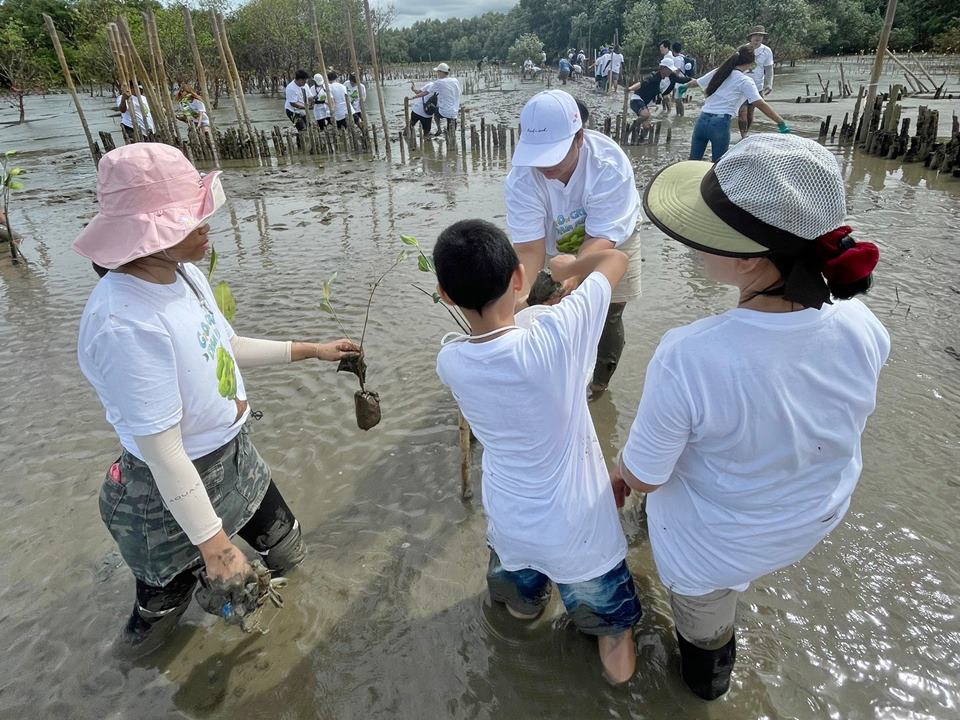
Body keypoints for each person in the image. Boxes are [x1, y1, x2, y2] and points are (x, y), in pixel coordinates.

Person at [616, 133, 889, 699]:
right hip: (815, 514)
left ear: (747, 259)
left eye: (705, 233)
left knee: (705, 623)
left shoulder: (689, 354)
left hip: (717, 546)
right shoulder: (863, 326)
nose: (691, 244)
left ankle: (706, 686)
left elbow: (644, 476)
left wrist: (616, 472)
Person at [73, 143, 360, 650]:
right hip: (165, 491)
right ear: (149, 236)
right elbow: (164, 453)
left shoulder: (184, 275)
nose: (207, 227)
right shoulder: (124, 323)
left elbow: (225, 347)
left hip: (235, 460)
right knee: (160, 618)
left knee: (288, 551)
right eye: (192, 220)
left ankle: (296, 637)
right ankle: (128, 678)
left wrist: (312, 350)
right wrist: (216, 545)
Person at [434, 219, 643, 684]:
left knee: (520, 609)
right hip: (579, 532)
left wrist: (529, 306)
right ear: (518, 277)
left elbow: (500, 340)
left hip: (511, 525)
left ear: (445, 295)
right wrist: (569, 266)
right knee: (614, 637)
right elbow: (616, 260)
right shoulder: (557, 334)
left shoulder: (450, 361)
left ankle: (524, 642)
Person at [505, 90, 644, 397]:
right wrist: (520, 298)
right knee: (546, 304)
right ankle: (560, 381)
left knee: (608, 311)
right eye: (537, 155)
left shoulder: (608, 165)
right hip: (556, 239)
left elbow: (601, 238)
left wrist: (574, 274)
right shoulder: (522, 179)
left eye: (553, 154)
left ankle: (599, 385)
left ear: (579, 137)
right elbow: (529, 248)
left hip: (613, 236)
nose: (544, 166)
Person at [686, 45, 789, 162]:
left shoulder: (719, 71)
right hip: (719, 124)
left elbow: (696, 83)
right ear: (751, 63)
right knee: (718, 166)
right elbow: (760, 103)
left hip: (702, 121)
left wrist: (683, 87)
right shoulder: (745, 81)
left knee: (692, 162)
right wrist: (780, 122)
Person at [627, 60, 693, 133]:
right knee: (645, 115)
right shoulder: (654, 77)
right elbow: (641, 84)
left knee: (647, 126)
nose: (670, 71)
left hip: (645, 103)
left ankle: (640, 138)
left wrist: (697, 81)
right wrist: (630, 89)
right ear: (663, 68)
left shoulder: (672, 77)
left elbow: (683, 80)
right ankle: (629, 131)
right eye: (669, 69)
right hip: (637, 99)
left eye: (671, 69)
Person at [740, 25, 775, 137]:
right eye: (755, 35)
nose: (758, 37)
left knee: (750, 113)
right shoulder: (743, 49)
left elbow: (769, 69)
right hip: (741, 86)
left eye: (761, 35)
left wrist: (769, 84)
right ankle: (743, 136)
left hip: (757, 86)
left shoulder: (767, 51)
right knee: (742, 112)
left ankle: (746, 134)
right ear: (751, 37)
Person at [411, 63, 461, 136]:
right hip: (454, 112)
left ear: (441, 72)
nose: (437, 73)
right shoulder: (455, 80)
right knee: (451, 133)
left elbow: (425, 92)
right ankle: (451, 137)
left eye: (438, 72)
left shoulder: (438, 82)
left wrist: (413, 97)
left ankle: (439, 129)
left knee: (435, 114)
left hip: (444, 111)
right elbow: (458, 92)